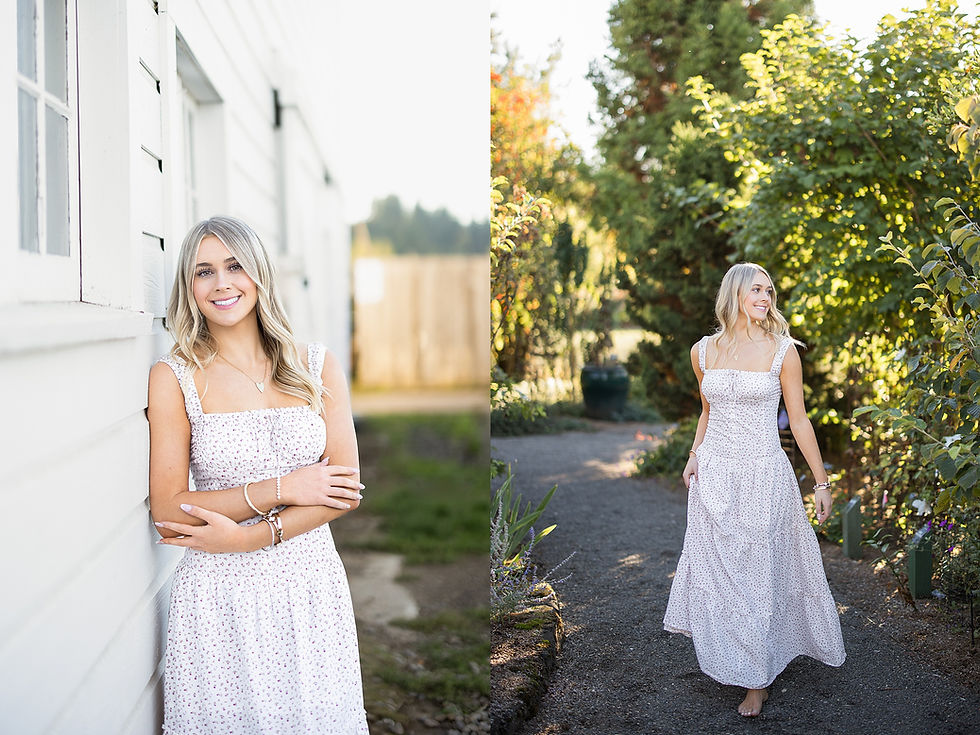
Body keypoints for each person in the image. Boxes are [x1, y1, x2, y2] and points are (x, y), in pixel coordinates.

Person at [147, 216, 369, 734]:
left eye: (234, 266)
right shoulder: (175, 376)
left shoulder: (315, 366)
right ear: (189, 287)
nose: (221, 283)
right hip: (219, 594)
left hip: (309, 583)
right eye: (204, 272)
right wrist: (283, 488)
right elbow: (168, 509)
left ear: (258, 274)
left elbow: (345, 490)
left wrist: (250, 538)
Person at [662, 262, 846, 717]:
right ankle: (734, 652)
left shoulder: (784, 351)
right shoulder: (702, 351)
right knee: (723, 575)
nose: (766, 297)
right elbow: (707, 411)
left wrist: (821, 482)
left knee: (758, 575)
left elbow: (799, 420)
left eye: (770, 290)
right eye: (757, 290)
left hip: (764, 476)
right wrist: (693, 456)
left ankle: (756, 680)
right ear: (735, 294)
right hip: (716, 475)